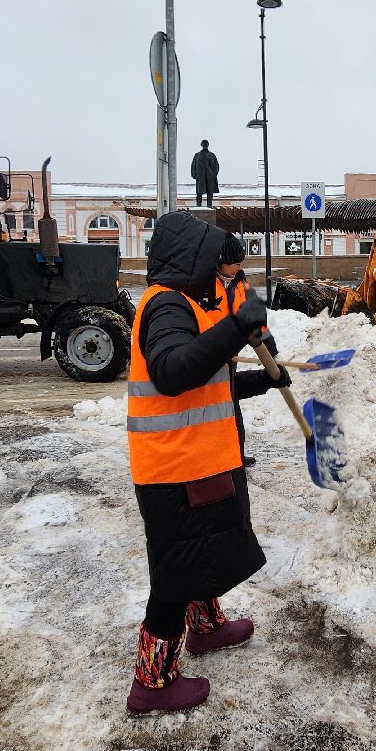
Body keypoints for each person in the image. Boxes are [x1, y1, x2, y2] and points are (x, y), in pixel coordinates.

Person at [124, 211, 291, 715]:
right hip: (175, 470)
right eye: (221, 271)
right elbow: (174, 373)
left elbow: (205, 386)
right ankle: (152, 684)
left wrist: (263, 380)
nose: (228, 282)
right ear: (193, 262)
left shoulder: (189, 306)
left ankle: (206, 627)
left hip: (198, 462)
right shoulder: (166, 307)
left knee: (204, 553)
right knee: (175, 576)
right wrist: (237, 328)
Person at [216, 232, 284, 469]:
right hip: (212, 355)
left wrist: (273, 359)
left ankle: (236, 454)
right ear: (220, 260)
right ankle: (223, 457)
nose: (238, 266)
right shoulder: (205, 287)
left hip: (229, 357)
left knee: (233, 408)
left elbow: (259, 327)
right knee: (220, 411)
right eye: (234, 262)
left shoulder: (241, 286)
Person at [191, 140, 220, 208]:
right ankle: (198, 205)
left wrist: (214, 174)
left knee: (210, 192)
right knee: (199, 192)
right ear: (201, 145)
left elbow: (216, 165)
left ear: (208, 145)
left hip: (210, 176)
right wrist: (194, 174)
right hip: (200, 176)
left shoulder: (212, 155)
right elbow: (193, 165)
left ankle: (209, 205)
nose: (205, 145)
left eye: (206, 144)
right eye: (204, 144)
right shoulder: (197, 155)